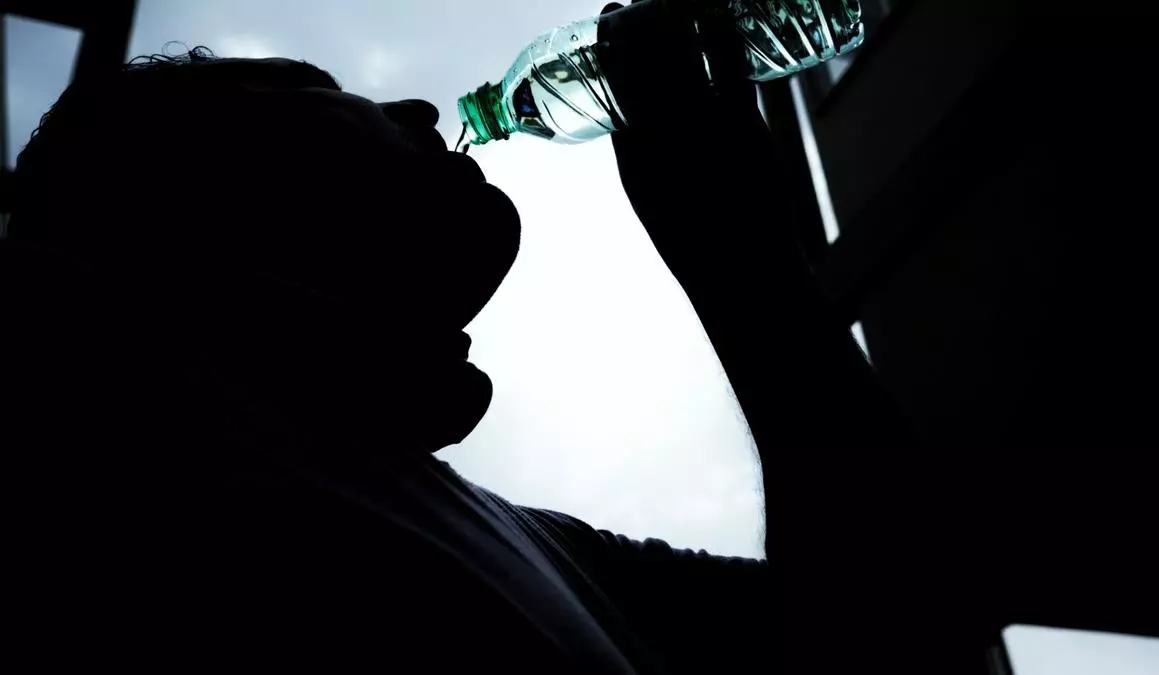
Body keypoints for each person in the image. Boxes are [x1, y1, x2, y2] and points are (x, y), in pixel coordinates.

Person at [1, 17, 933, 673]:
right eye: (313, 91)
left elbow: (887, 616)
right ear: (182, 190)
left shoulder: (538, 542)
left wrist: (741, 263)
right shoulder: (81, 406)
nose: (414, 106)